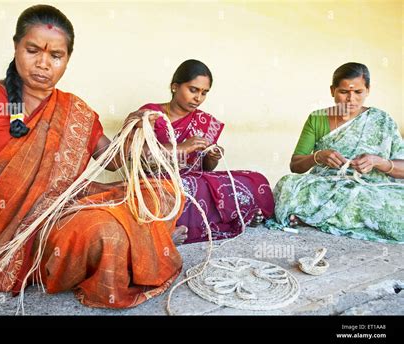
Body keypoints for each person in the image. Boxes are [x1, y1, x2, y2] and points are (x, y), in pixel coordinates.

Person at [0, 5, 186, 308]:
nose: (42, 63)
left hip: (66, 210)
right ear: (16, 47)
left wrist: (133, 132)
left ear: (67, 60)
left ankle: (144, 241)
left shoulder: (74, 109)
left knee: (166, 194)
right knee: (105, 234)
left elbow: (112, 160)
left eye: (55, 56)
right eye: (33, 50)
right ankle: (141, 242)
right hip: (14, 227)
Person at [138, 59, 275, 244]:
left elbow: (206, 168)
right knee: (183, 189)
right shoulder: (151, 114)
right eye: (193, 90)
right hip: (156, 179)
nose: (198, 98)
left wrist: (213, 156)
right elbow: (135, 152)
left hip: (193, 177)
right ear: (175, 87)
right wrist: (182, 147)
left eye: (204, 93)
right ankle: (230, 218)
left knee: (254, 178)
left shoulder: (205, 121)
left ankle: (241, 215)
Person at [272, 62, 404, 243]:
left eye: (358, 92)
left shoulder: (382, 120)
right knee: (287, 185)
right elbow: (295, 166)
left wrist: (378, 162)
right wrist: (317, 157)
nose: (351, 99)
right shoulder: (317, 118)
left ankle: (317, 216)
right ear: (332, 90)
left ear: (368, 90)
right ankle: (346, 218)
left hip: (371, 189)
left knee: (383, 203)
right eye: (344, 92)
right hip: (325, 185)